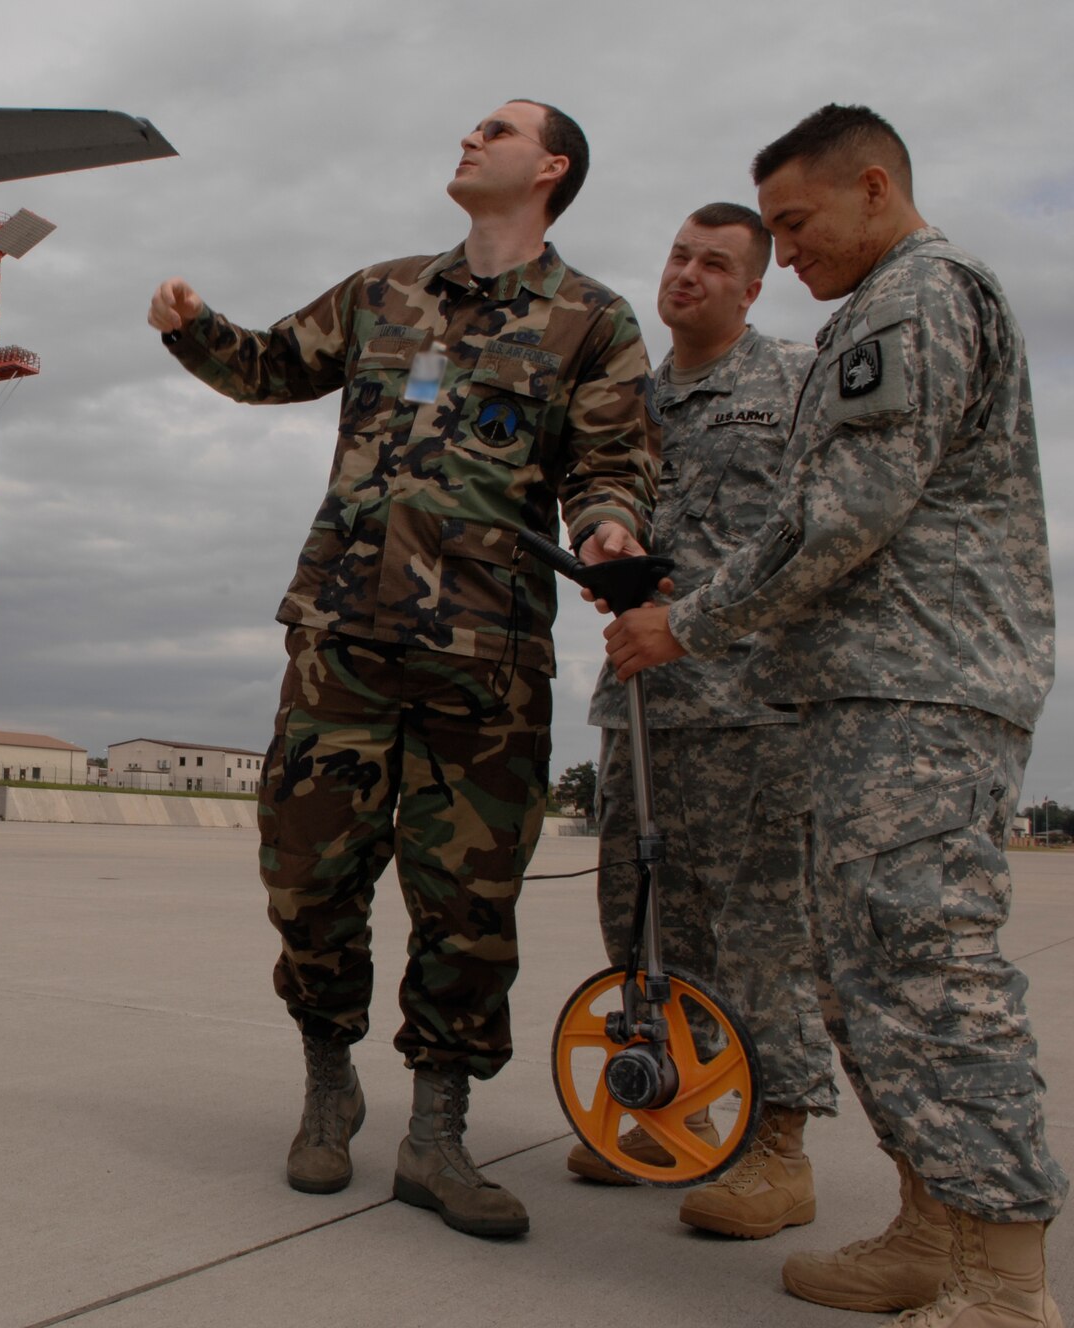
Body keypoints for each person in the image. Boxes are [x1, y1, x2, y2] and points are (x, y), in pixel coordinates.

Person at [147, 99, 657, 1239]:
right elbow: (273, 367)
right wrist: (192, 326)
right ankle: (329, 1085)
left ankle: (437, 1132)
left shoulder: (593, 319)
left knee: (466, 909)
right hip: (341, 639)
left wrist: (613, 528)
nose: (468, 138)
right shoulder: (382, 291)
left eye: (496, 129)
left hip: (487, 664)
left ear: (550, 167)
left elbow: (611, 462)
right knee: (307, 881)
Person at [603, 105, 1061, 1325]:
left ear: (872, 188)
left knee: (926, 964)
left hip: (920, 686)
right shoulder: (871, 306)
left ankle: (1001, 1278)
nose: (783, 253)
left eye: (793, 226)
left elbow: (838, 516)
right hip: (864, 689)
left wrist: (682, 622)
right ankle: (931, 1227)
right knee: (868, 974)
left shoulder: (916, 294)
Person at [569, 204, 839, 1241]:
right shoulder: (623, 400)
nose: (687, 274)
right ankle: (666, 1108)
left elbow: (820, 529)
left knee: (758, 930)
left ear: (751, 286)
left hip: (755, 704)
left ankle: (776, 1145)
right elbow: (589, 495)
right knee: (638, 918)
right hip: (639, 705)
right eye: (678, 255)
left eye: (714, 263)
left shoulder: (794, 381)